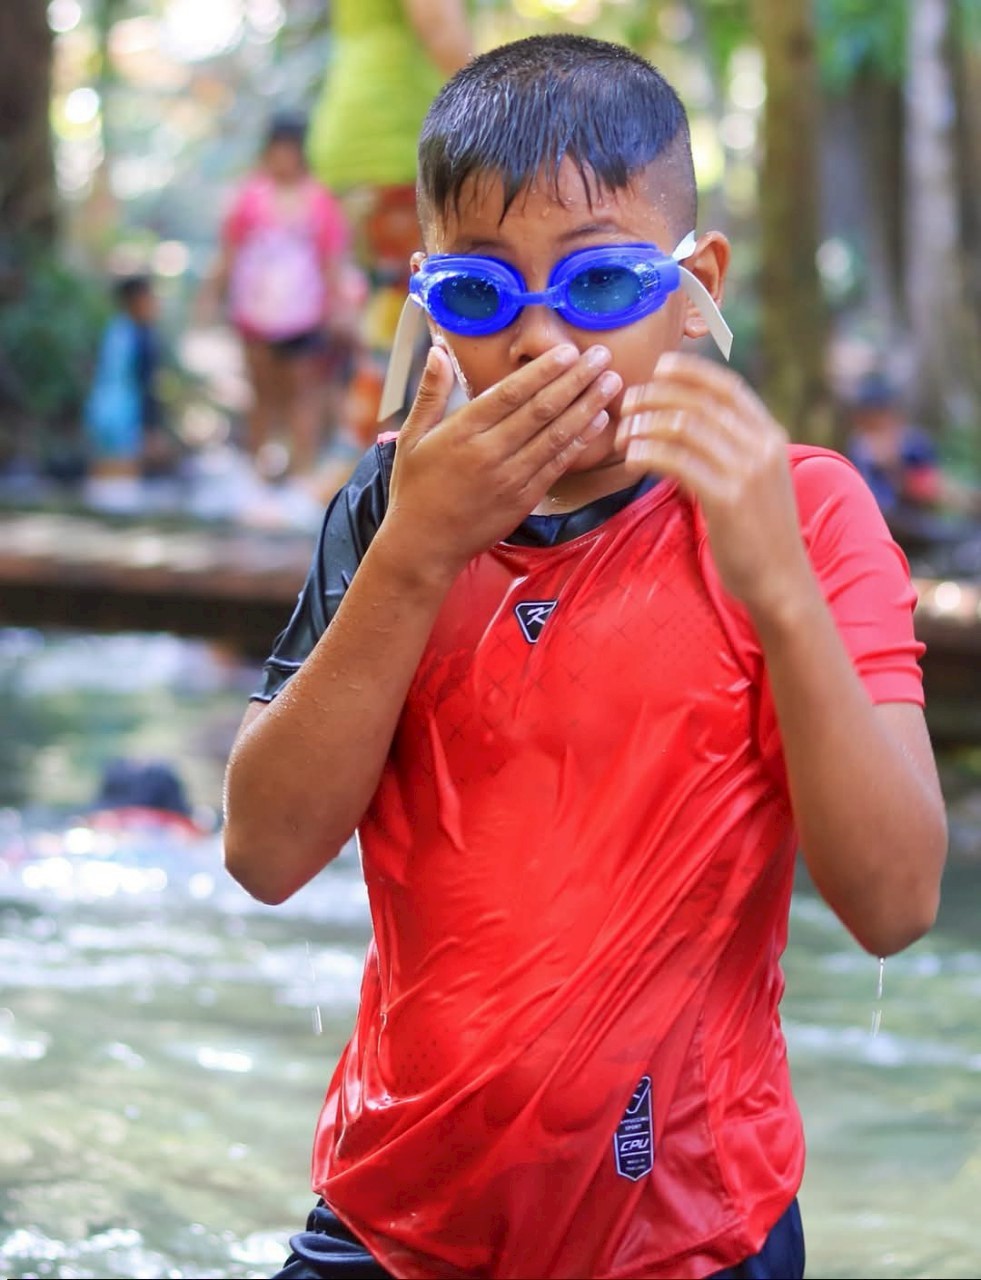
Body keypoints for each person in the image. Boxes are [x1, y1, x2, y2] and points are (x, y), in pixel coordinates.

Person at [222, 35, 948, 1280]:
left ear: (694, 286)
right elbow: (265, 850)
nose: (543, 341)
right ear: (426, 305)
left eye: (602, 284)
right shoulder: (395, 509)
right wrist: (417, 552)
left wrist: (779, 592)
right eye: (481, 296)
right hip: (391, 1217)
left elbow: (893, 903)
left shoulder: (796, 511)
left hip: (692, 1232)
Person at [305, 0, 472, 470]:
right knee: (402, 306)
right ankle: (356, 462)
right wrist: (509, 115)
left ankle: (370, 457)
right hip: (394, 139)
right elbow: (437, 22)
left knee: (399, 305)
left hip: (366, 135)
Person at [201, 112, 353, 480]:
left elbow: (331, 261)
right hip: (254, 315)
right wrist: (210, 295)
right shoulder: (248, 199)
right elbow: (229, 252)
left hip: (305, 317)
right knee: (260, 393)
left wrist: (340, 308)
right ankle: (257, 473)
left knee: (303, 394)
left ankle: (301, 474)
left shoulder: (320, 202)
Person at [844, 369, 981, 544]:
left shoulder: (911, 441)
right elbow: (872, 501)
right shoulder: (859, 448)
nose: (878, 419)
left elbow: (929, 482)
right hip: (883, 523)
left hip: (918, 517)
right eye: (870, 414)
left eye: (882, 412)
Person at [82, 274, 168, 509]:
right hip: (125, 413)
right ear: (137, 300)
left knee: (103, 476)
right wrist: (152, 428)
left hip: (101, 408)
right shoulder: (141, 336)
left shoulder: (115, 330)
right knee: (122, 481)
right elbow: (146, 384)